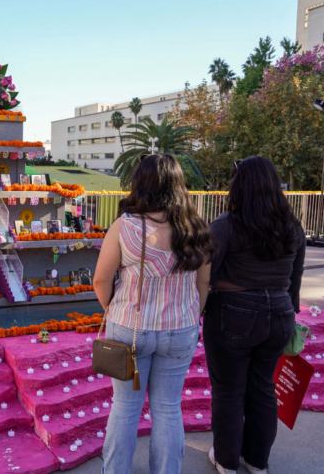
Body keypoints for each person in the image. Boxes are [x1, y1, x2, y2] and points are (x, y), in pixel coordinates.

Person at [93, 154, 213, 474]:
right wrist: (192, 314)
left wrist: (115, 310)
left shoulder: (125, 226)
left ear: (140, 183)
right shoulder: (196, 227)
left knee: (125, 409)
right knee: (168, 409)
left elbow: (101, 280)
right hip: (181, 328)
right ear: (177, 185)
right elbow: (204, 282)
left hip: (129, 328)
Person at [204, 156, 305, 474]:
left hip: (233, 315)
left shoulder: (225, 225)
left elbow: (205, 276)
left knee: (229, 390)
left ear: (240, 186)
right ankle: (257, 462)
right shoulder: (293, 226)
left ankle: (226, 461)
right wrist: (290, 310)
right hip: (280, 315)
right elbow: (295, 279)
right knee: (263, 388)